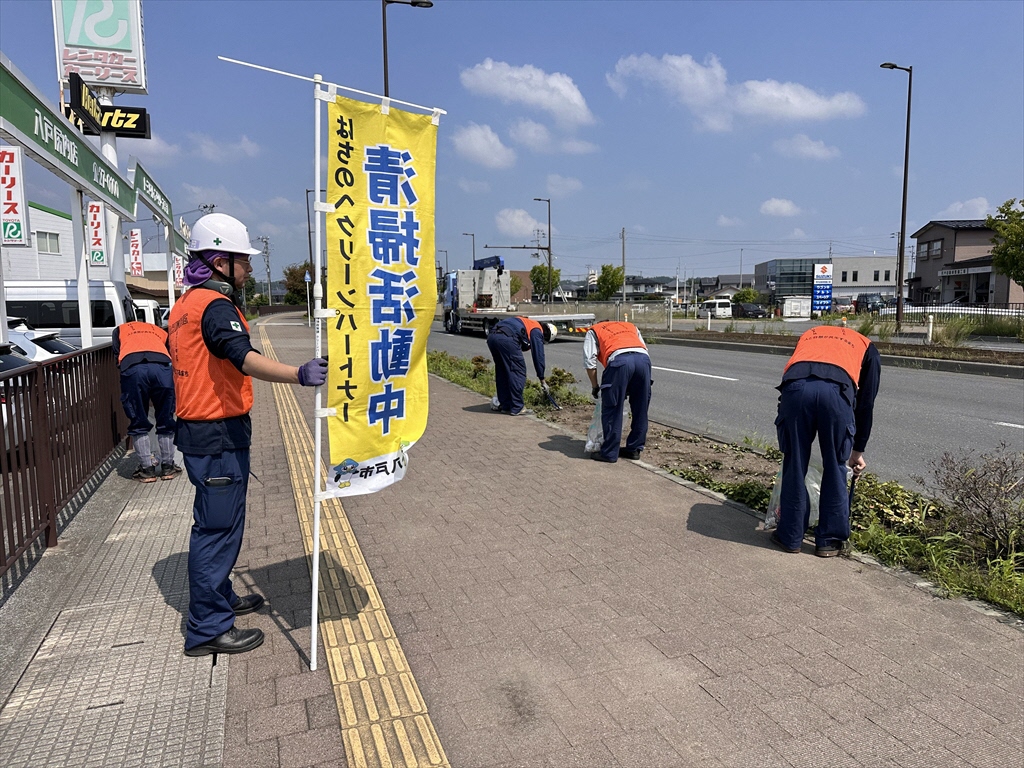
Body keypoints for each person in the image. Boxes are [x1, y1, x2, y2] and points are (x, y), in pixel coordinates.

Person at [169, 213, 328, 657]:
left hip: (200, 430)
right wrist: (297, 374)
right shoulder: (216, 307)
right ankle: (207, 629)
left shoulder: (184, 306)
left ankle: (220, 599)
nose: (250, 268)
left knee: (219, 524)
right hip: (217, 432)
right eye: (244, 260)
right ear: (220, 262)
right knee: (217, 531)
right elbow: (243, 357)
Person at [772, 325, 881, 557]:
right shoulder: (866, 346)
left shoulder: (810, 334)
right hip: (836, 394)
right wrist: (857, 451)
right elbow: (866, 403)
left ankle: (790, 536)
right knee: (834, 465)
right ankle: (828, 541)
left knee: (795, 462)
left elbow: (795, 367)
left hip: (795, 390)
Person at [112, 318, 179, 482]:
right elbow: (170, 350)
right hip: (162, 367)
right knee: (166, 417)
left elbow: (117, 355)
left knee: (138, 418)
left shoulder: (120, 330)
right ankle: (168, 467)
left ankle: (147, 470)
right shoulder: (159, 330)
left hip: (133, 367)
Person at [583, 320, 651, 463]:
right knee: (641, 407)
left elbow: (589, 361)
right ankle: (634, 449)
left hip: (619, 361)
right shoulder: (630, 326)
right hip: (643, 361)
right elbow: (643, 348)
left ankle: (609, 453)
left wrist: (595, 386)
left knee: (612, 408)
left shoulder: (594, 330)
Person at [486, 317, 556, 416]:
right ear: (545, 335)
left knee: (502, 371)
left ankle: (506, 406)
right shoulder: (537, 330)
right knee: (518, 372)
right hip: (507, 339)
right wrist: (542, 379)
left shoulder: (529, 323)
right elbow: (538, 356)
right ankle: (517, 407)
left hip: (492, 337)